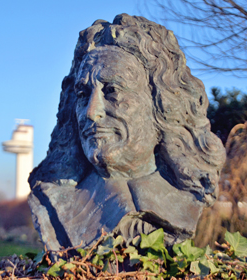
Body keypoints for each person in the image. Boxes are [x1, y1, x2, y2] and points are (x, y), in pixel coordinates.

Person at [28, 14, 226, 251]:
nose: (92, 112)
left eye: (112, 90)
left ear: (160, 106)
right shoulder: (52, 201)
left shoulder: (190, 197)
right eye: (83, 95)